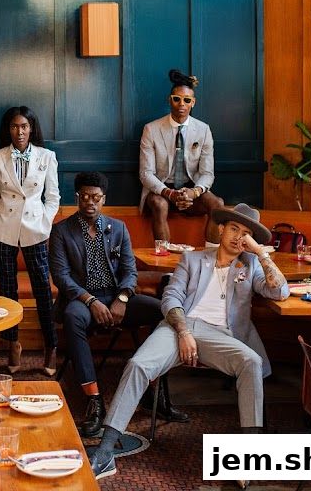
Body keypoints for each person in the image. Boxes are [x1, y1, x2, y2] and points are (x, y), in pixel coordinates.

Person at [87, 203, 289, 480]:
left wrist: (260, 253)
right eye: (233, 229)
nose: (237, 237)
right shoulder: (193, 260)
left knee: (251, 362)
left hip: (223, 336)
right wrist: (184, 333)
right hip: (178, 327)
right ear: (221, 229)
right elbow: (171, 298)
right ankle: (106, 451)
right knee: (138, 364)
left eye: (245, 234)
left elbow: (280, 292)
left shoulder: (250, 265)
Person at [48, 171, 176, 439]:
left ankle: (154, 388)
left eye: (95, 197)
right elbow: (61, 276)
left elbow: (130, 271)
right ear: (77, 198)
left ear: (103, 199)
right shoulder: (61, 230)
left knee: (160, 310)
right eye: (84, 197)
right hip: (81, 298)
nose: (90, 202)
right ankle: (94, 400)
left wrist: (122, 298)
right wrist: (90, 300)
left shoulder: (117, 228)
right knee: (73, 317)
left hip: (117, 297)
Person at [0, 106, 60, 375]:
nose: (20, 131)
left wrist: (45, 221)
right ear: (9, 129)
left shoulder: (47, 156)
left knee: (42, 288)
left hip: (35, 229)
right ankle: (12, 343)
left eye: (25, 126)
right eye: (15, 126)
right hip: (3, 228)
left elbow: (53, 197)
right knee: (8, 290)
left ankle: (51, 345)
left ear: (32, 128)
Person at [139, 69, 225, 244]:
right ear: (169, 100)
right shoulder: (151, 129)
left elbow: (207, 173)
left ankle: (212, 263)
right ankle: (164, 259)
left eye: (187, 100)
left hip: (190, 191)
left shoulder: (203, 130)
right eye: (176, 99)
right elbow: (146, 173)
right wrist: (169, 193)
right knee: (159, 204)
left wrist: (193, 192)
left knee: (218, 204)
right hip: (162, 191)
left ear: (193, 103)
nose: (181, 104)